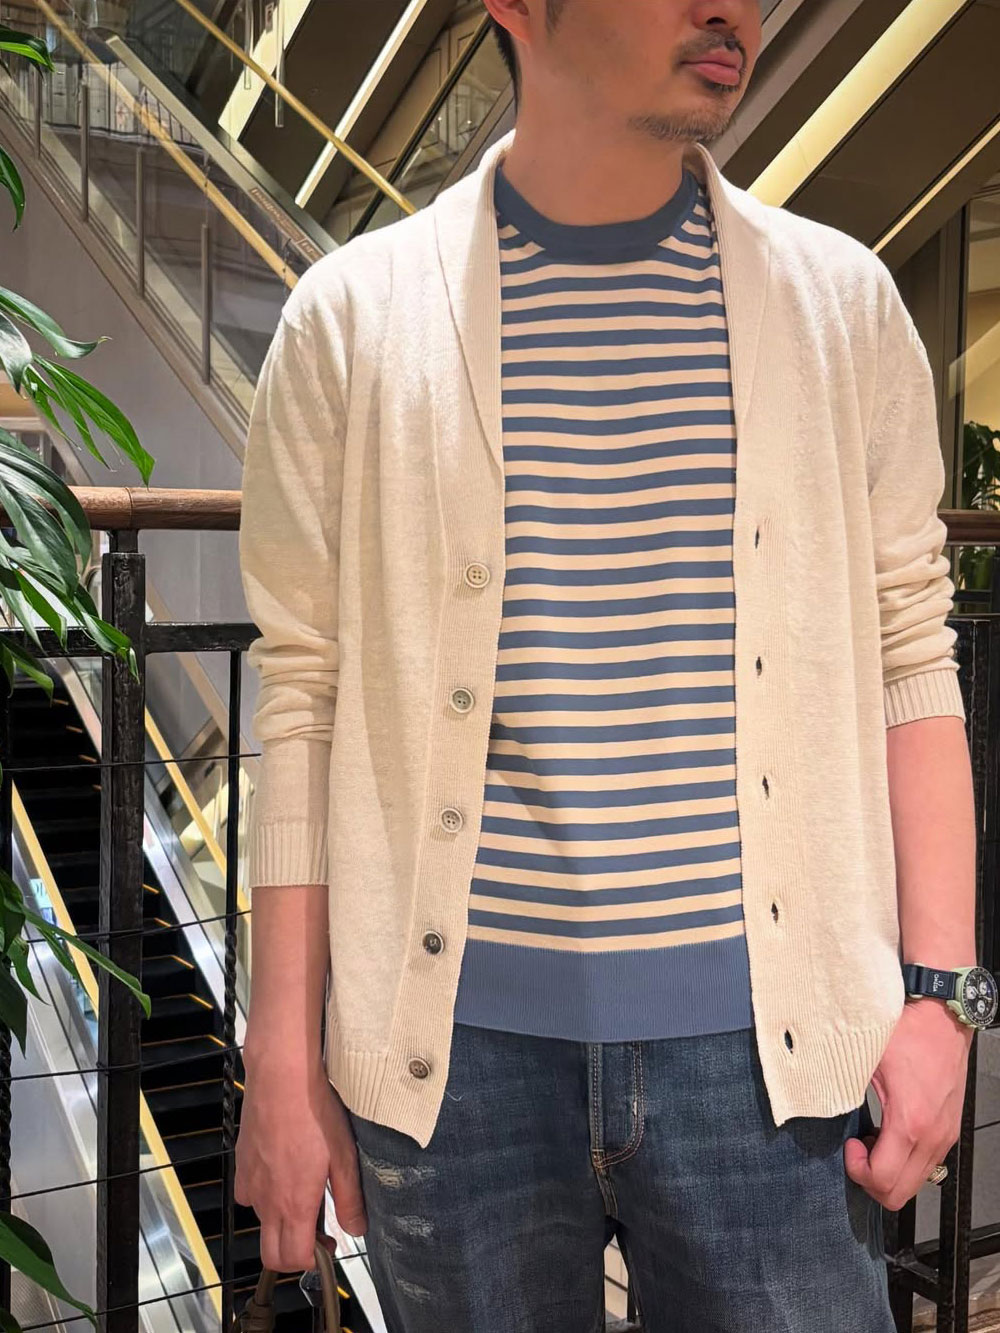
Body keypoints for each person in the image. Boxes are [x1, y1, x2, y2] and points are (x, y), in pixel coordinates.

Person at [234, 2, 985, 1329]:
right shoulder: (350, 324)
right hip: (450, 1071)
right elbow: (303, 697)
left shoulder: (842, 309)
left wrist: (944, 1003)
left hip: (774, 1062)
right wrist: (281, 1055)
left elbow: (912, 659)